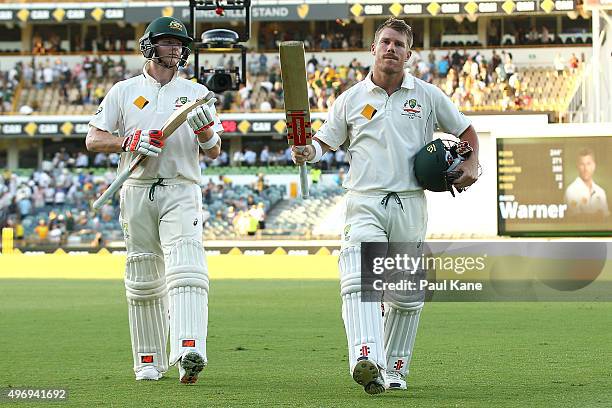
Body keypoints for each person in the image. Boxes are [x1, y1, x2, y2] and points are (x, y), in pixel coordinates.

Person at [292, 18, 479, 395]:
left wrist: (472, 165)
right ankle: (366, 356)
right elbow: (323, 144)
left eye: (398, 44)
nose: (390, 49)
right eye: (385, 42)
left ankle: (392, 370)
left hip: (410, 203)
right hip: (365, 201)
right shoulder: (349, 99)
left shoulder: (427, 95)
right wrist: (306, 150)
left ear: (408, 54)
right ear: (373, 49)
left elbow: (465, 130)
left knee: (407, 296)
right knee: (360, 280)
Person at [85, 16, 223, 384]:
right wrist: (128, 142)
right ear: (149, 46)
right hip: (135, 188)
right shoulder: (124, 91)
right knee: (144, 276)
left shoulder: (195, 93)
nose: (176, 49)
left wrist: (206, 132)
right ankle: (149, 361)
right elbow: (94, 139)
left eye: (180, 44)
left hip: (181, 187)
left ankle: (189, 348)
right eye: (167, 42)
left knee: (187, 266)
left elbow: (213, 151)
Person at [564, 148, 609, 217]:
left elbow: (606, 217)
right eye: (582, 164)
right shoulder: (571, 190)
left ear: (594, 166)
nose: (585, 169)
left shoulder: (601, 192)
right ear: (577, 166)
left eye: (588, 164)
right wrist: (597, 215)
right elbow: (575, 218)